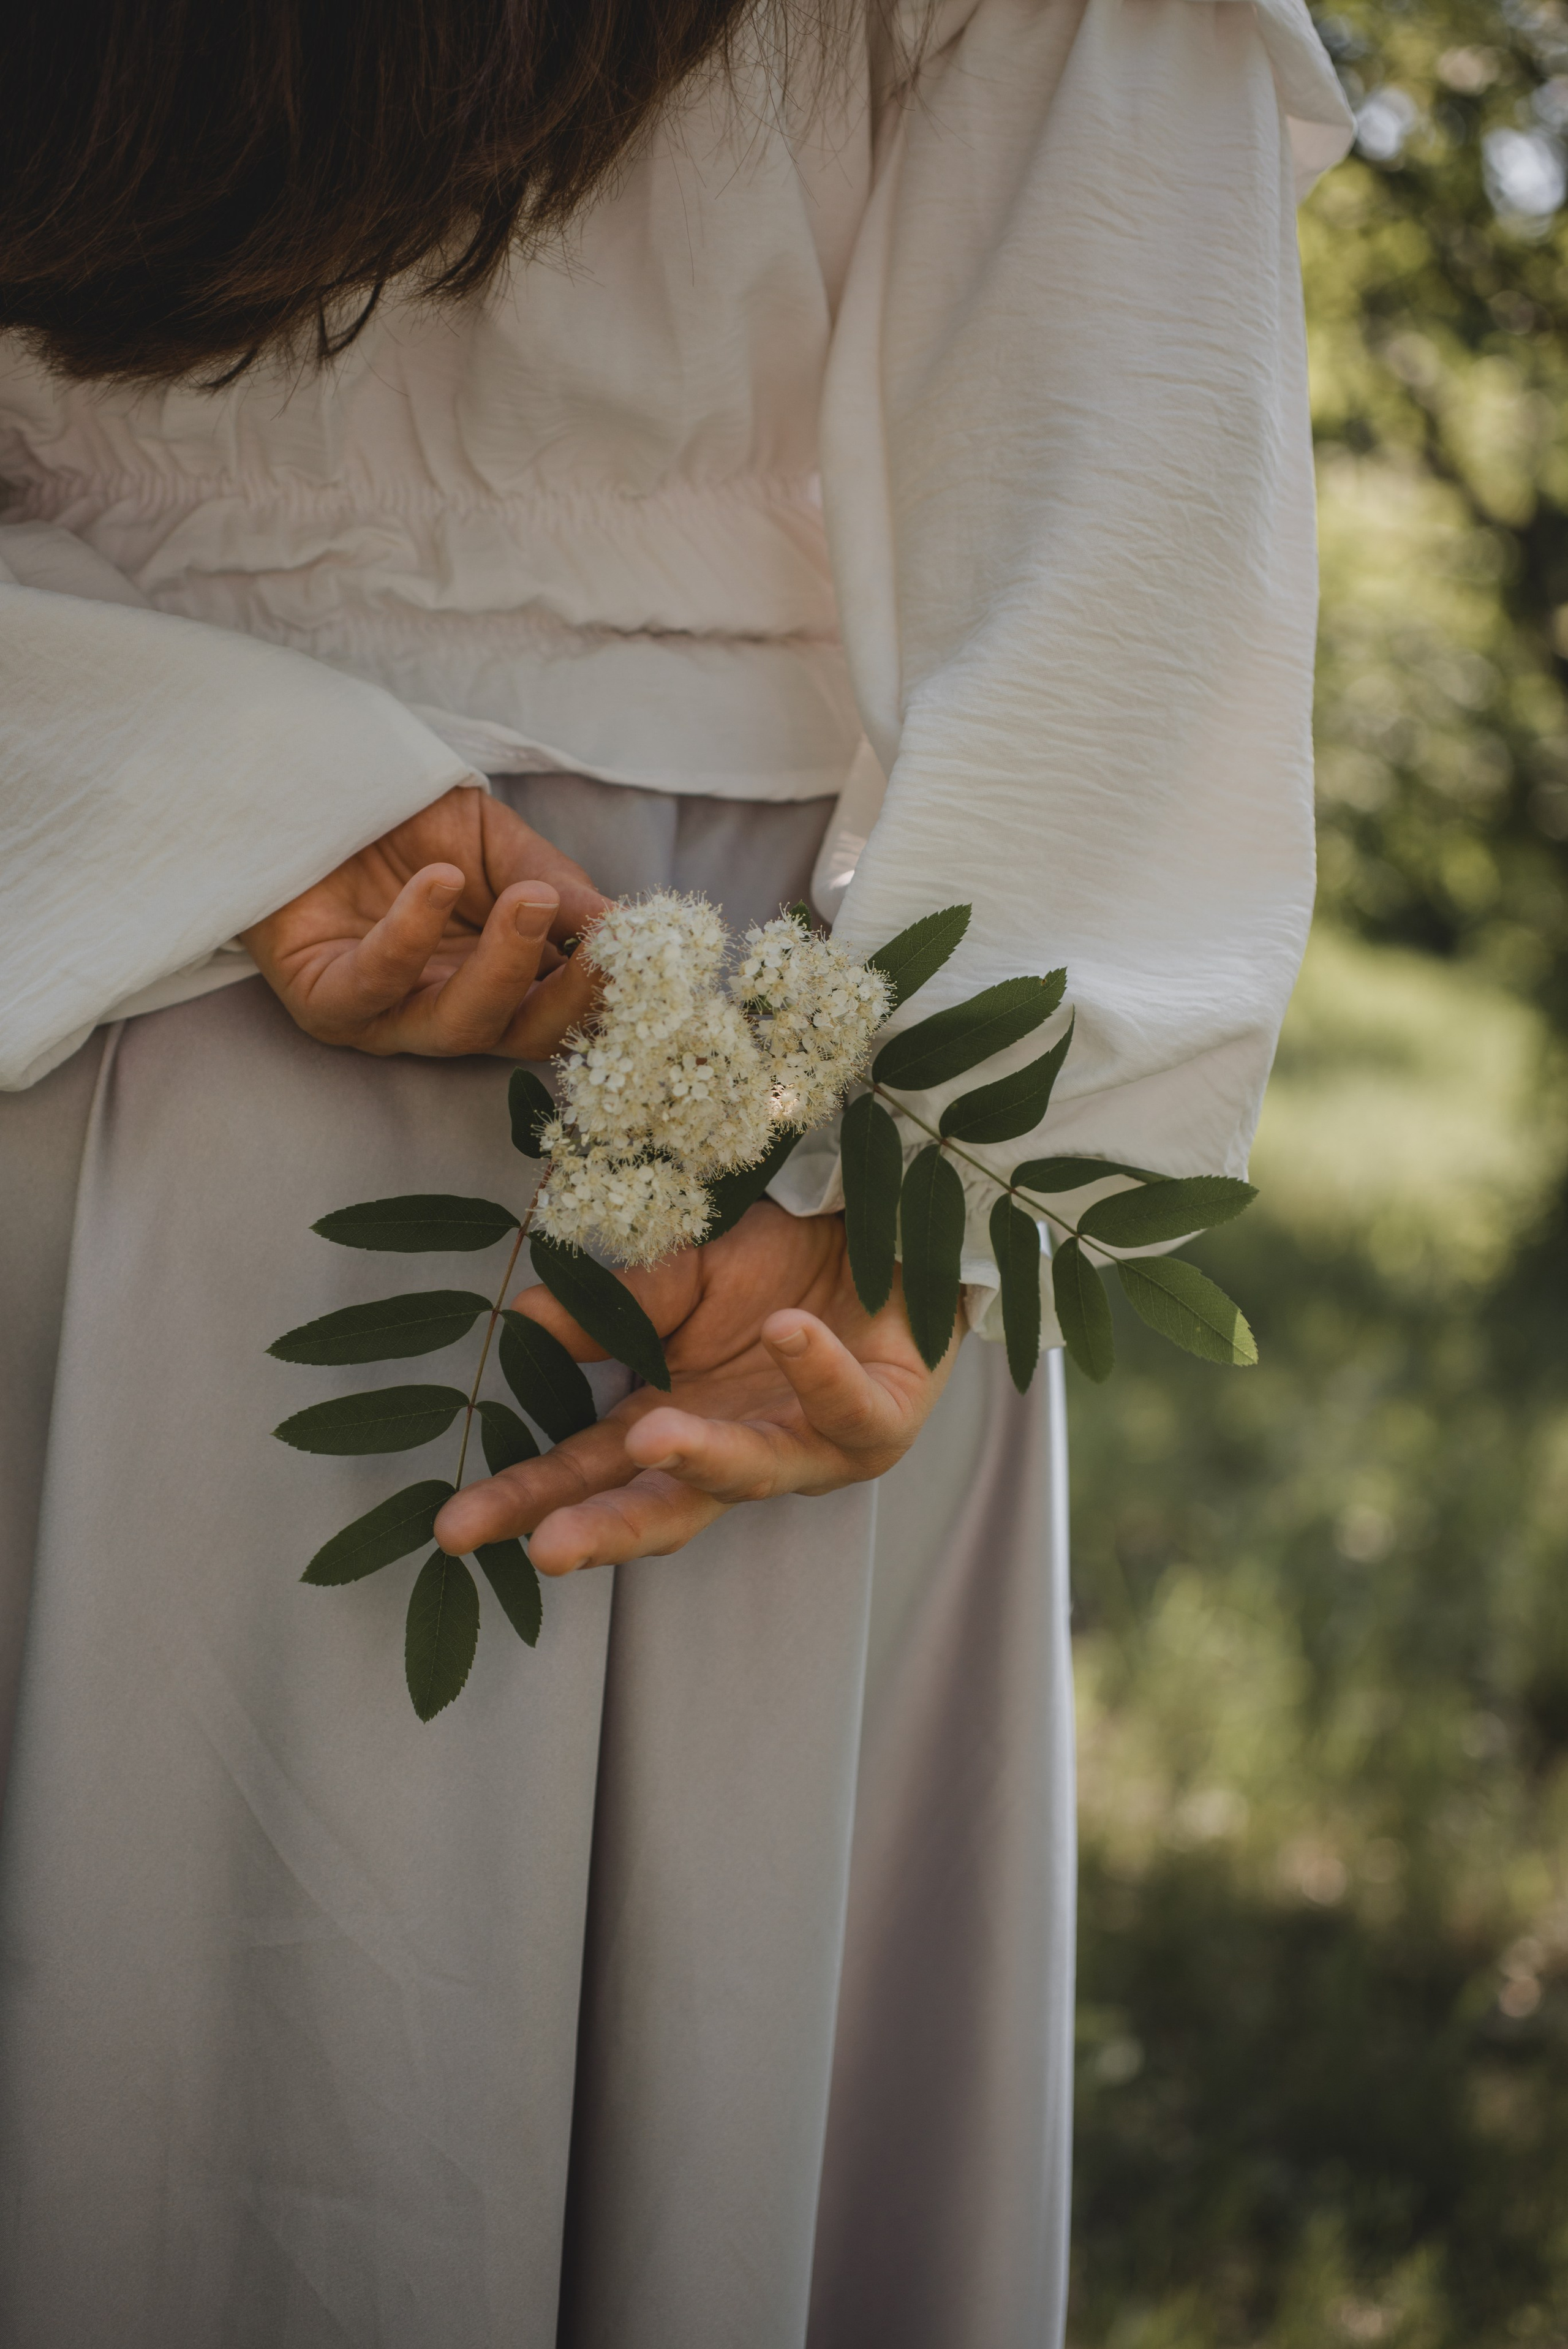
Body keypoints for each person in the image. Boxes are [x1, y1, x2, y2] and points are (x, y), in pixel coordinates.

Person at [0, 2, 1351, 2342]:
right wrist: (950, 1197)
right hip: (207, 934)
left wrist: (918, 1201)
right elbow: (1126, 429)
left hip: (671, 1101)